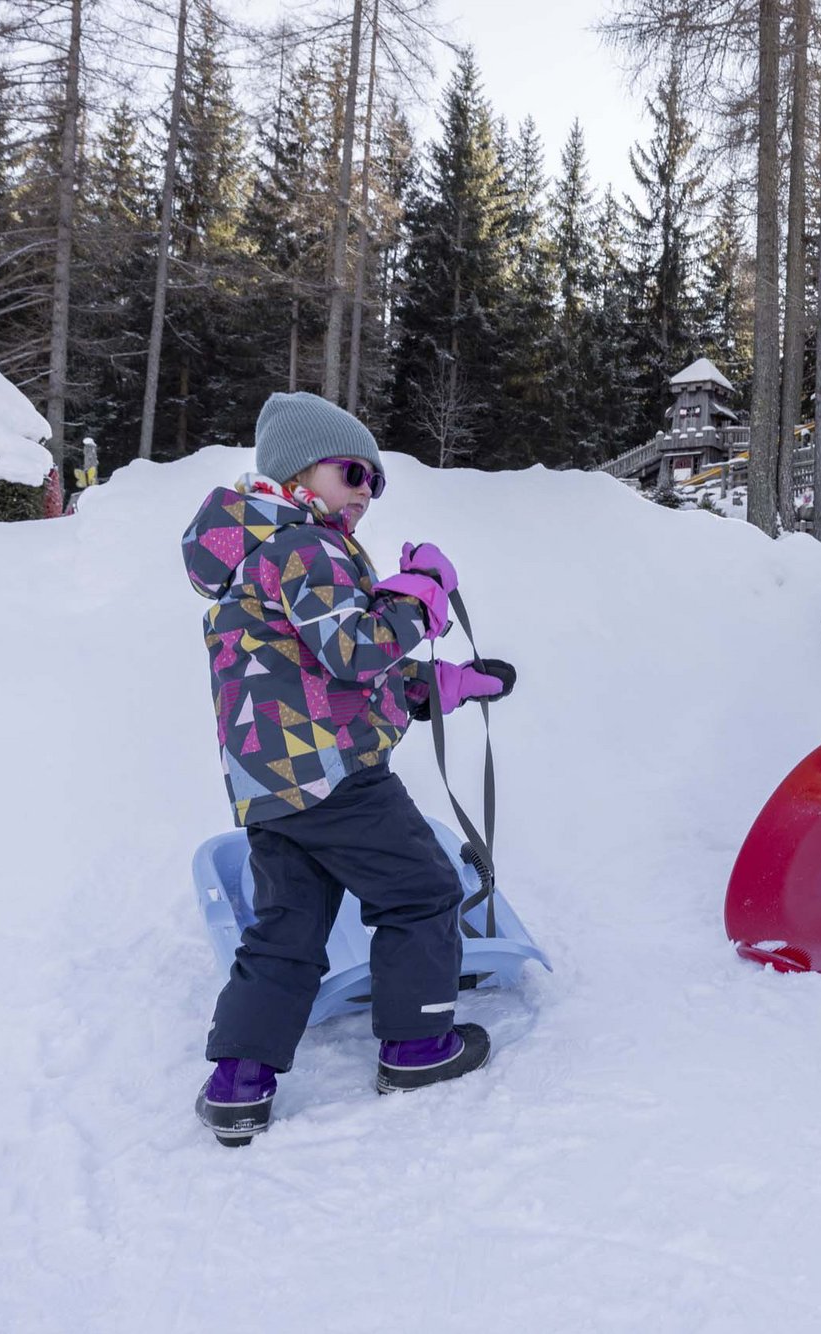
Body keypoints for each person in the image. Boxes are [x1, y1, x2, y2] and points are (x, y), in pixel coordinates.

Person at [182, 391, 516, 1146]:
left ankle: (238, 1083)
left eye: (376, 481)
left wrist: (439, 686)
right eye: (353, 473)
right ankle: (418, 1046)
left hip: (272, 785)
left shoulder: (252, 556)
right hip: (336, 775)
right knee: (424, 890)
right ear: (298, 473)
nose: (367, 491)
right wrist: (422, 598)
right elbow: (356, 649)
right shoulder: (305, 545)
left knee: (287, 930)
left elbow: (313, 674)